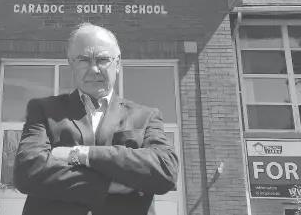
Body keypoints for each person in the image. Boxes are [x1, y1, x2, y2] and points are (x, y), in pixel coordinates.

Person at [13, 22, 179, 215]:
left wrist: (82, 154)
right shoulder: (44, 110)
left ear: (117, 63)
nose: (94, 69)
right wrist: (109, 184)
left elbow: (165, 170)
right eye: (83, 59)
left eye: (102, 59)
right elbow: (28, 171)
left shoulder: (146, 116)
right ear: (71, 64)